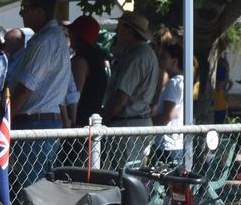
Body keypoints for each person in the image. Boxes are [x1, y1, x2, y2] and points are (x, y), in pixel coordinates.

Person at [8, 0, 73, 191]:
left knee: (32, 190)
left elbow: (26, 88)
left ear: (39, 12)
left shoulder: (45, 41)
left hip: (36, 125)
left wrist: (4, 121)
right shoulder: (54, 38)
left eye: (24, 9)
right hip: (43, 123)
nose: (21, 14)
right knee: (37, 188)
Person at [100, 11, 161, 163]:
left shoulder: (136, 57)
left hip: (128, 126)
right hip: (138, 123)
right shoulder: (147, 54)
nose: (116, 32)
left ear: (129, 31)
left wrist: (103, 121)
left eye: (119, 28)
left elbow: (121, 96)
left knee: (124, 178)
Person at [67, 15, 109, 129]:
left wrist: (71, 122)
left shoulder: (79, 61)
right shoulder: (98, 60)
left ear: (78, 35)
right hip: (93, 122)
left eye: (71, 31)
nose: (69, 34)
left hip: (80, 124)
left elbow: (74, 95)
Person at [153, 43, 186, 165]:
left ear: (174, 61)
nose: (160, 60)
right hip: (177, 142)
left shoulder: (174, 83)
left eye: (163, 57)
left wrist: (148, 123)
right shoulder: (183, 81)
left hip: (167, 144)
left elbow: (168, 115)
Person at [213, 52, 232, 124]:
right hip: (219, 104)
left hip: (219, 104)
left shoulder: (220, 69)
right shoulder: (221, 69)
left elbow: (228, 83)